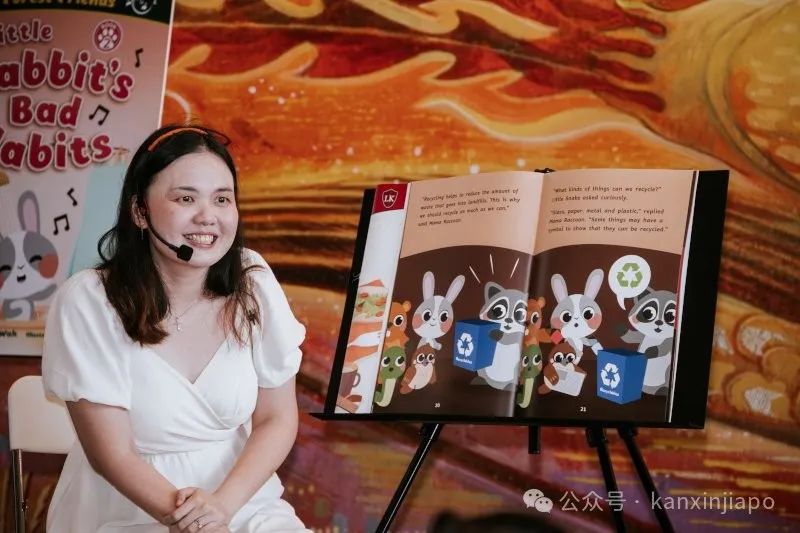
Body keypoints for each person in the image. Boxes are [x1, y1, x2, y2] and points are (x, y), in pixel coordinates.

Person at [41, 125, 310, 532]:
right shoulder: (88, 300)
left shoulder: (252, 280)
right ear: (140, 212)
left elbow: (277, 418)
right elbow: (112, 455)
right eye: (186, 198)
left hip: (240, 500)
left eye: (222, 199)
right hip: (131, 507)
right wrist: (194, 521)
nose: (208, 216)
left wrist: (221, 508)